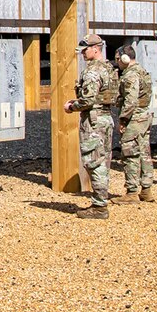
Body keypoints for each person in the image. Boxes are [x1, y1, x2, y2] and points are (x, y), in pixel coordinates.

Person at [65, 32, 113, 215]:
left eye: (85, 50)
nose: (83, 54)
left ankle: (100, 206)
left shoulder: (93, 71)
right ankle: (100, 201)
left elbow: (88, 100)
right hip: (105, 117)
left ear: (95, 49)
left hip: (94, 121)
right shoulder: (108, 68)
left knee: (94, 161)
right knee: (103, 160)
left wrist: (71, 106)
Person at [114, 45, 155, 202]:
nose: (117, 62)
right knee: (145, 152)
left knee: (130, 153)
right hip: (144, 115)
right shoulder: (142, 71)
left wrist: (123, 119)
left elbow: (130, 100)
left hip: (134, 118)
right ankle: (146, 189)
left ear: (124, 58)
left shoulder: (130, 75)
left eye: (118, 59)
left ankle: (131, 191)